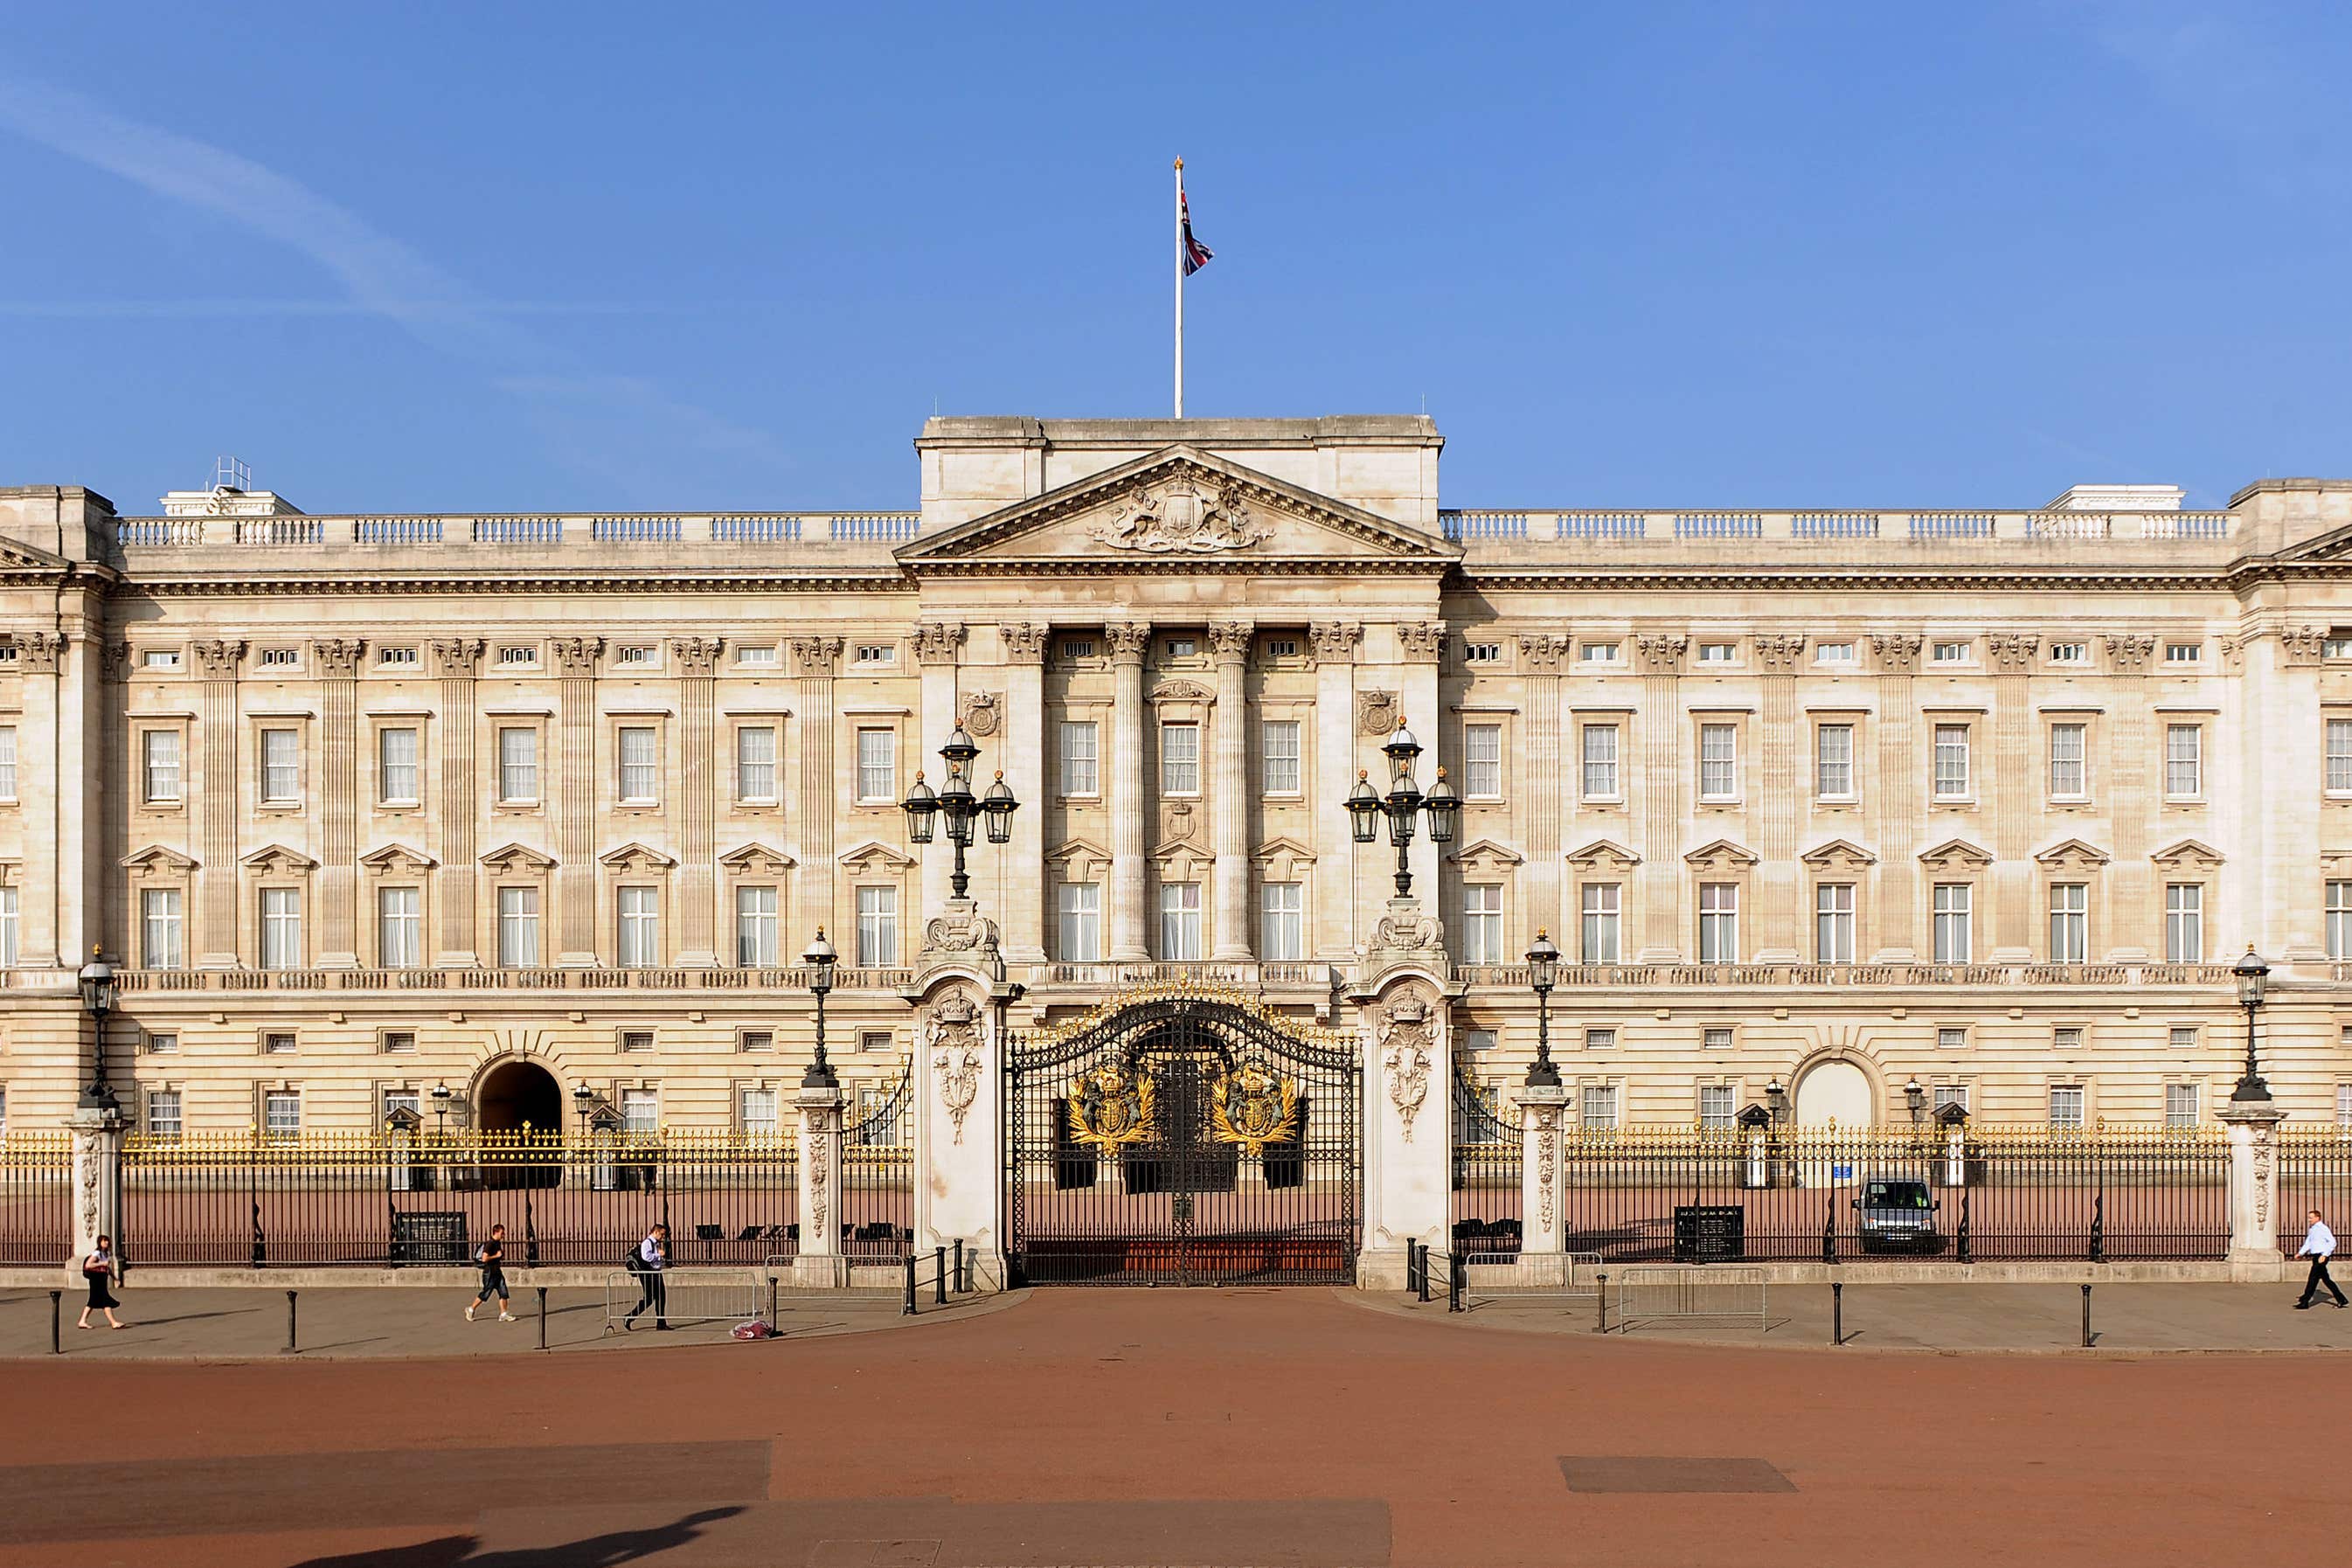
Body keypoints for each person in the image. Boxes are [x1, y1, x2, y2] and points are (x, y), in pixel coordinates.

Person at [2295, 1209, 2348, 1310]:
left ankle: (2305, 1301)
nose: (2309, 1219)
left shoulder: (2323, 1228)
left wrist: (2325, 1255)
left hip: (2322, 1256)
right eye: (2309, 1217)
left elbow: (2333, 1242)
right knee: (2326, 1280)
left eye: (2311, 1217)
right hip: (2316, 1257)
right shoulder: (2312, 1229)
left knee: (2312, 1279)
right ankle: (2341, 1299)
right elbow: (2308, 1243)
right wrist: (2301, 1253)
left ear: (2317, 1218)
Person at [625, 1222, 670, 1331]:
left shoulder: (655, 1243)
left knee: (661, 1297)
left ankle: (661, 1323)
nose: (663, 1237)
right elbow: (646, 1257)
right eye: (662, 1234)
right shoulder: (647, 1243)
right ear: (655, 1232)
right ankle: (629, 1316)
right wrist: (658, 1255)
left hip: (655, 1272)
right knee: (649, 1299)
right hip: (648, 1273)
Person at [466, 1223, 516, 1322]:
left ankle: (503, 1314)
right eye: (502, 1233)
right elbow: (484, 1259)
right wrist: (496, 1256)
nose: (503, 1235)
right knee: (486, 1293)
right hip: (490, 1273)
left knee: (503, 1293)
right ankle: (471, 1309)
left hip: (497, 1272)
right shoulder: (490, 1244)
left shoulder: (497, 1243)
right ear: (496, 1232)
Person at [79, 1234, 124, 1329]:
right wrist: (102, 1263)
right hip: (96, 1280)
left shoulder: (105, 1254)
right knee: (104, 1301)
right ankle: (113, 1322)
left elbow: (107, 1268)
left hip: (101, 1279)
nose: (106, 1242)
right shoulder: (97, 1253)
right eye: (104, 1241)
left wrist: (115, 1278)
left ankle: (82, 1321)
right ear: (100, 1242)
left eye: (107, 1241)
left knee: (93, 1301)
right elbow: (88, 1265)